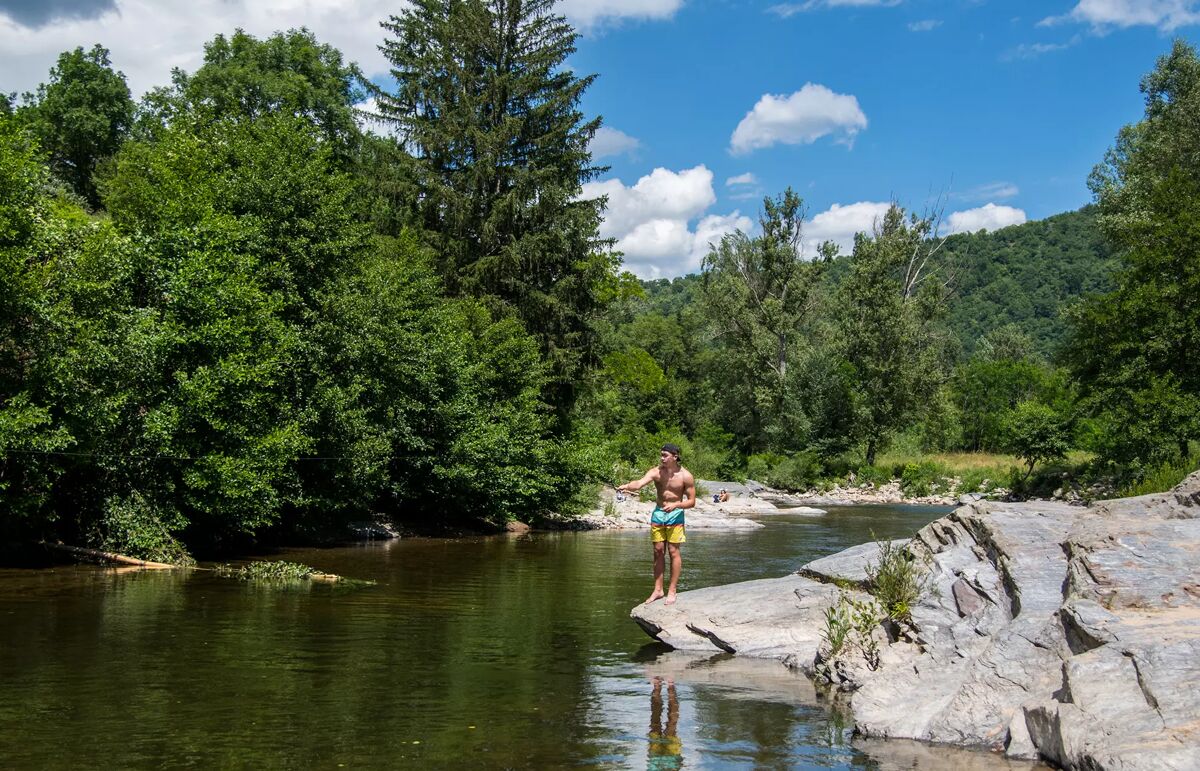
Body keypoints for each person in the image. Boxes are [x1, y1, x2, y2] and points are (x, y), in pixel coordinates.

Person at [618, 444, 696, 605]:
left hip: (675, 515)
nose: (662, 458)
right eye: (661, 455)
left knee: (673, 551)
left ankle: (672, 590)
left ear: (675, 456)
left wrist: (676, 505)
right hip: (658, 514)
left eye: (665, 455)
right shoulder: (656, 472)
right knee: (658, 551)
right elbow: (639, 484)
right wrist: (627, 486)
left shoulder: (686, 476)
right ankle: (658, 590)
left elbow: (692, 502)